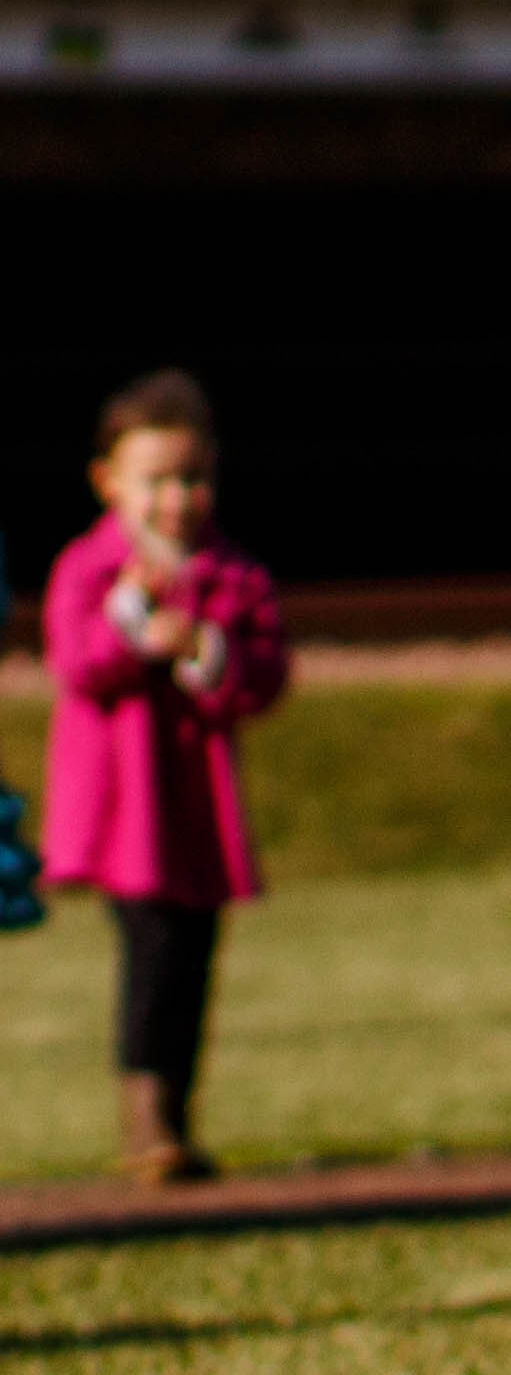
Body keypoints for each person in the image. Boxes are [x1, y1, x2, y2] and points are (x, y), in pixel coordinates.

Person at [42, 372, 286, 1186]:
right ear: (109, 481)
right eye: (157, 480)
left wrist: (203, 650)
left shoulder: (231, 575)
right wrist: (134, 632)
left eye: (193, 478)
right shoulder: (89, 572)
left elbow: (264, 675)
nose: (177, 499)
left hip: (197, 812)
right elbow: (78, 663)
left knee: (193, 958)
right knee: (151, 955)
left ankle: (177, 1109)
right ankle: (145, 1114)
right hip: (125, 816)